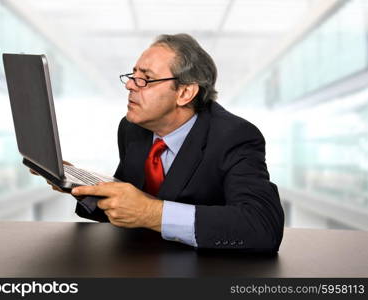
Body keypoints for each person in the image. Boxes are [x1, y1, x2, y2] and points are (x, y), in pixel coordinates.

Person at [49, 33, 284, 251]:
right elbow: (128, 207)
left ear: (184, 93)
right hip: (141, 264)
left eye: (146, 79)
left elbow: (262, 226)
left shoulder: (235, 137)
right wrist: (79, 185)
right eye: (133, 75)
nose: (130, 84)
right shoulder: (131, 128)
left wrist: (153, 213)